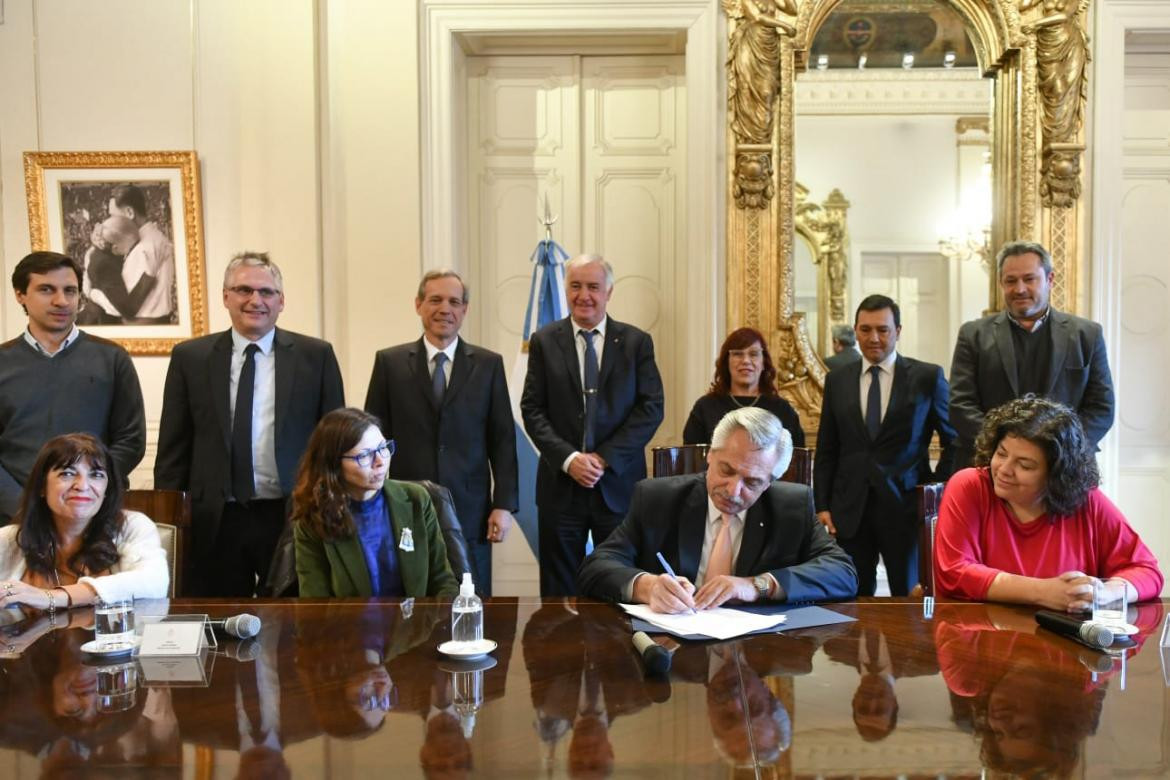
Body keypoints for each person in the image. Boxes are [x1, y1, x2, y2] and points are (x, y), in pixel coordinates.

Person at [155, 251, 345, 597]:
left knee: (293, 625)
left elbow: (334, 443)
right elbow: (173, 447)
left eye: (266, 292)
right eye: (243, 290)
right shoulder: (190, 357)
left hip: (292, 515)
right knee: (219, 625)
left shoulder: (315, 356)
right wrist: (170, 519)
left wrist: (332, 508)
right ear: (226, 297)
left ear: (281, 301)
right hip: (215, 517)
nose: (255, 300)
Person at [578, 407, 856, 612]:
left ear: (771, 482)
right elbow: (596, 567)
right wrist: (646, 587)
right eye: (726, 470)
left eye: (752, 482)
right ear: (710, 454)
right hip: (674, 649)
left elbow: (842, 572)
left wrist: (757, 585)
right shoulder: (657, 498)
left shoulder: (792, 505)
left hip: (759, 650)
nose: (733, 491)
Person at [364, 269, 517, 596]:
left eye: (454, 301)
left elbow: (502, 439)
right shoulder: (389, 363)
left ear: (464, 310)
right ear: (418, 305)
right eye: (435, 300)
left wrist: (503, 504)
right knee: (410, 594)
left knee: (472, 597)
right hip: (405, 503)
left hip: (470, 507)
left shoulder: (488, 364)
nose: (444, 309)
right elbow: (372, 440)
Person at [521, 254, 665, 596]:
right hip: (561, 486)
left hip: (617, 486)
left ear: (608, 292)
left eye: (593, 287)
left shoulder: (636, 342)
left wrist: (602, 459)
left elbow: (651, 408)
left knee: (621, 583)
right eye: (575, 286)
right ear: (566, 289)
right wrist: (570, 460)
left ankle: (618, 651)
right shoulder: (544, 340)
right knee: (558, 590)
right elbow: (532, 409)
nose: (583, 295)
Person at [934, 396, 1162, 608]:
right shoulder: (969, 486)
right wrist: (1044, 592)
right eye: (1001, 454)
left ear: (1056, 475)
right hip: (981, 637)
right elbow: (953, 572)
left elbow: (1146, 570)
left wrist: (1104, 593)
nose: (1003, 470)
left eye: (1024, 465)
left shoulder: (1088, 501)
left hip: (1067, 645)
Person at [814, 294, 956, 597]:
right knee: (850, 600)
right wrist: (822, 504)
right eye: (865, 330)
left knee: (910, 603)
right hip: (849, 511)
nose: (874, 338)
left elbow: (953, 441)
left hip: (905, 509)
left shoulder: (927, 377)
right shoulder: (837, 380)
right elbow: (828, 446)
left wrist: (932, 489)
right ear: (855, 331)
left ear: (898, 331)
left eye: (883, 329)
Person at [0, 251, 146, 524]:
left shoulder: (112, 358)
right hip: (12, 519)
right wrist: (20, 507)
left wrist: (87, 490)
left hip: (93, 515)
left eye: (71, 291)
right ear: (20, 294)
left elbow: (131, 440)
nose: (61, 301)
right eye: (46, 290)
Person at [949, 240, 1115, 468]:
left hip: (1064, 469)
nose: (1019, 289)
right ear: (1000, 283)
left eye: (1029, 279)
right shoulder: (973, 334)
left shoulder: (1087, 334)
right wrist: (1009, 451)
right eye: (1010, 281)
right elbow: (961, 406)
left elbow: (1101, 408)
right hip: (991, 466)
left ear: (1049, 279)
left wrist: (1058, 450)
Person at [291, 408, 459, 598]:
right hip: (349, 626)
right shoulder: (313, 518)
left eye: (382, 448)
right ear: (333, 464)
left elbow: (443, 581)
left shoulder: (416, 500)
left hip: (415, 624)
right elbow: (315, 606)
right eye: (365, 456)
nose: (380, 461)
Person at [0, 433, 168, 611]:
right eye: (67, 473)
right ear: (42, 486)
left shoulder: (132, 526)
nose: (82, 485)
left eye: (96, 475)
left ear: (106, 488)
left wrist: (52, 597)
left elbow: (155, 582)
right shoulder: (9, 539)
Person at [682, 326, 805, 447]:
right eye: (738, 354)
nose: (746, 360)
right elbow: (692, 461)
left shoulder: (782, 410)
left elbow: (797, 459)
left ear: (763, 363)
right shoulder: (705, 407)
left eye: (753, 354)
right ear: (726, 362)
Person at [107, 184, 175, 323]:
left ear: (130, 213)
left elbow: (126, 305)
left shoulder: (144, 247)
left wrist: (94, 293)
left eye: (113, 216)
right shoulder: (154, 238)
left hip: (143, 324)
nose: (110, 222)